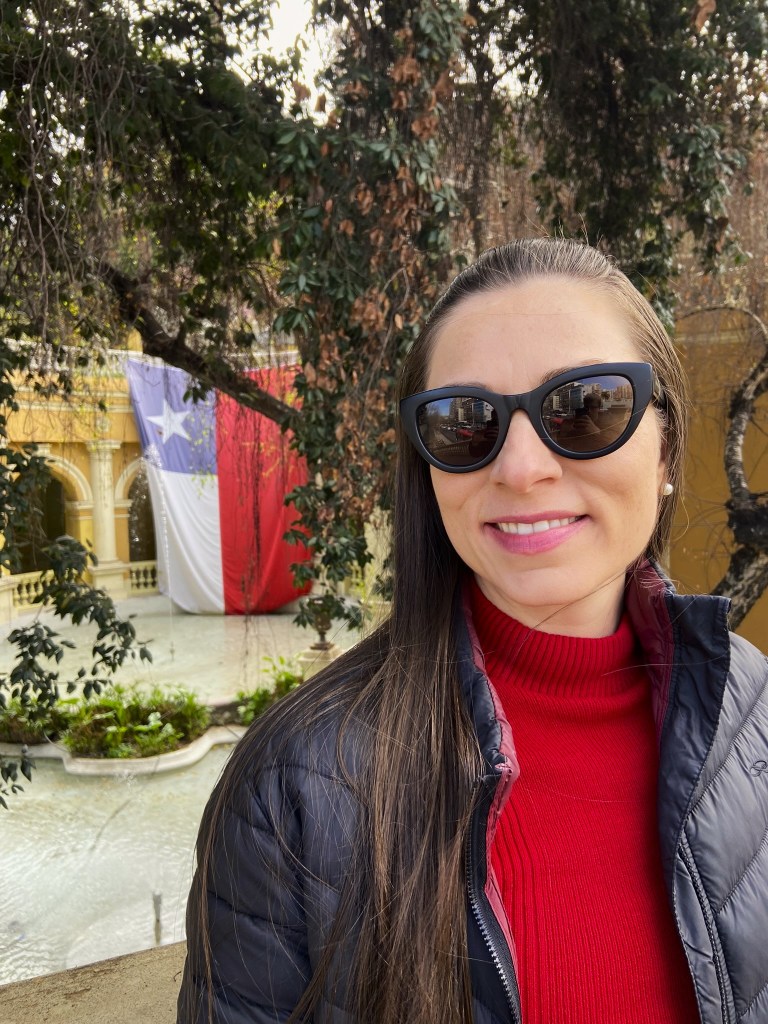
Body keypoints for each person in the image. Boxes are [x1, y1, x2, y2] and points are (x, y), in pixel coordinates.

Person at [178, 239, 768, 1024]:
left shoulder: (752, 710)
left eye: (586, 407)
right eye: (465, 422)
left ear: (665, 449)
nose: (521, 468)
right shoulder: (298, 786)